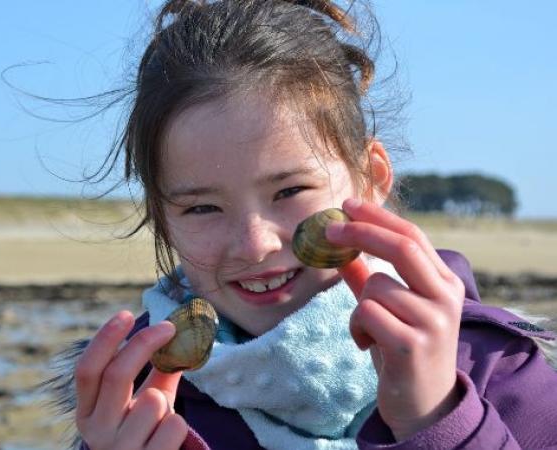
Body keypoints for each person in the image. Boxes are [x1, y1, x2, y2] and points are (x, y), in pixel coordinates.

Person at [45, 1, 557, 449]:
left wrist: (439, 421)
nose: (255, 244)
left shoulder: (494, 364)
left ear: (370, 177)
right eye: (201, 208)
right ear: (162, 217)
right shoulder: (139, 408)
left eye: (289, 192)